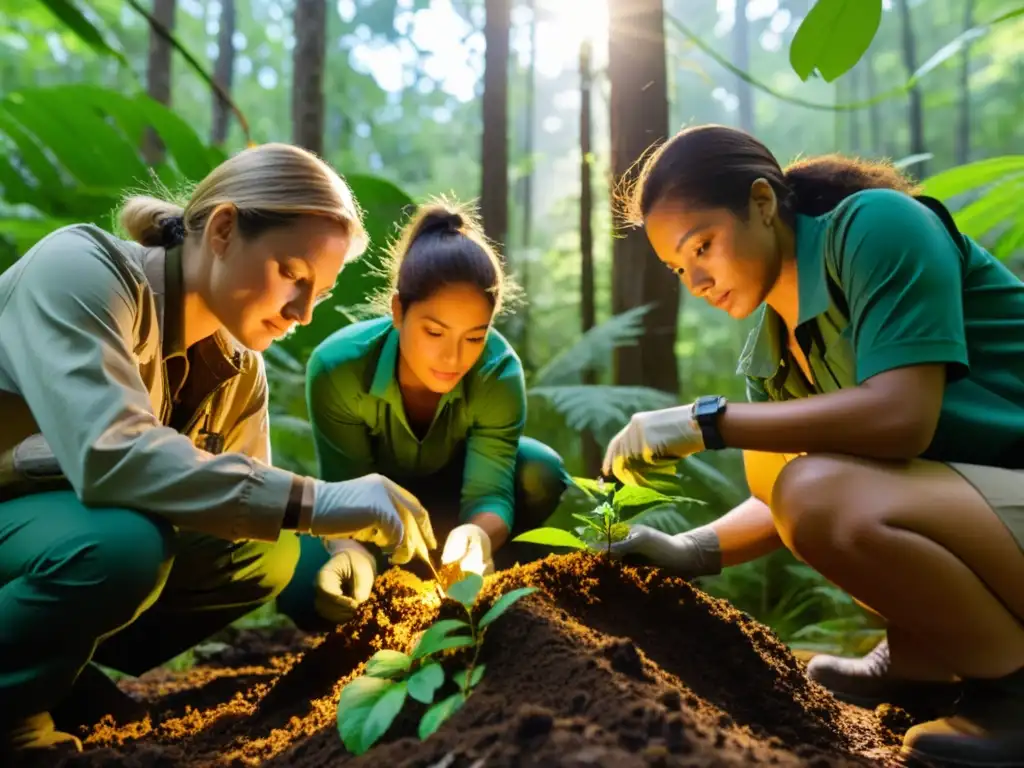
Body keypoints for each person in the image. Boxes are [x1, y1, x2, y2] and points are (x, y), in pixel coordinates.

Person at [601, 124, 1024, 766]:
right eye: (678, 268)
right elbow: (780, 498)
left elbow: (902, 416)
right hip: (989, 515)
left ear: (764, 203)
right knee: (785, 474)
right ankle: (923, 664)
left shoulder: (878, 227)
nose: (697, 281)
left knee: (811, 486)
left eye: (704, 247)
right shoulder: (773, 346)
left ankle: (1013, 692)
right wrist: (686, 550)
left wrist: (706, 422)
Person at [0, 143, 437, 759]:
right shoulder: (80, 270)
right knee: (125, 545)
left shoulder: (237, 368)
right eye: (293, 275)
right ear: (226, 229)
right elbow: (112, 457)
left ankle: (55, 669)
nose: (304, 312)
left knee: (268, 551)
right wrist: (322, 499)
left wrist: (338, 563)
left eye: (320, 292)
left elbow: (246, 505)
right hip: (25, 519)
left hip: (42, 544)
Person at [275, 200, 571, 630]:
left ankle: (492, 577)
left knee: (538, 471)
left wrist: (478, 538)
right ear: (398, 312)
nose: (453, 357)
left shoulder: (498, 370)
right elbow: (342, 490)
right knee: (303, 587)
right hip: (371, 518)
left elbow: (491, 494)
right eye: (434, 332)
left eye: (474, 337)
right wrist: (350, 553)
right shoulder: (339, 366)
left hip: (453, 506)